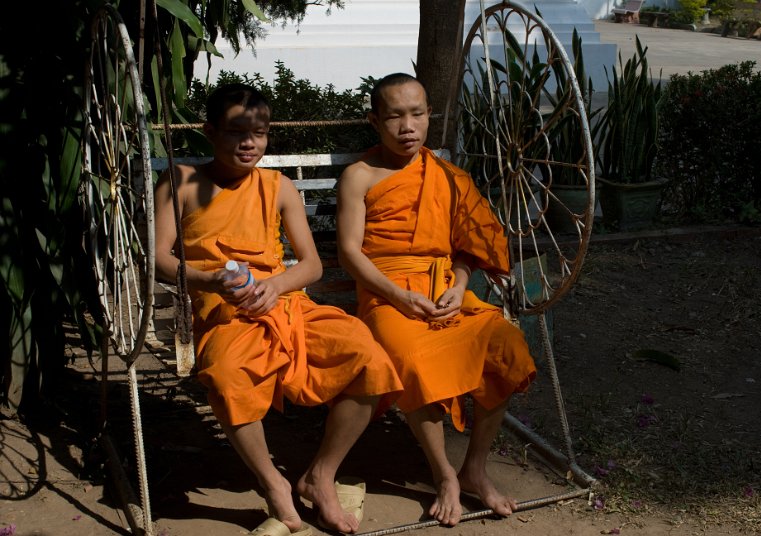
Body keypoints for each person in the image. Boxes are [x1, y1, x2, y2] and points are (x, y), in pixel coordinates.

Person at [153, 83, 403, 535]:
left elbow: (310, 265)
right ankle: (274, 485)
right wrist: (209, 280)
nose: (250, 143)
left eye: (261, 133)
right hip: (221, 308)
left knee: (371, 360)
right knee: (228, 377)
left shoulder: (278, 185)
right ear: (210, 131)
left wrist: (273, 286)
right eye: (236, 132)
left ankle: (320, 477)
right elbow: (160, 258)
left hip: (285, 301)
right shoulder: (180, 180)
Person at [336, 73, 537, 527]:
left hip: (445, 290)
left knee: (508, 346)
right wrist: (397, 295)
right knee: (409, 357)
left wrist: (461, 284)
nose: (408, 126)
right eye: (394, 116)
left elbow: (469, 245)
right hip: (387, 296)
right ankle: (444, 473)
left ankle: (475, 469)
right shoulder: (360, 176)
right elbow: (349, 252)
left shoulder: (447, 175)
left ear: (430, 117)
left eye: (417, 114)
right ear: (374, 120)